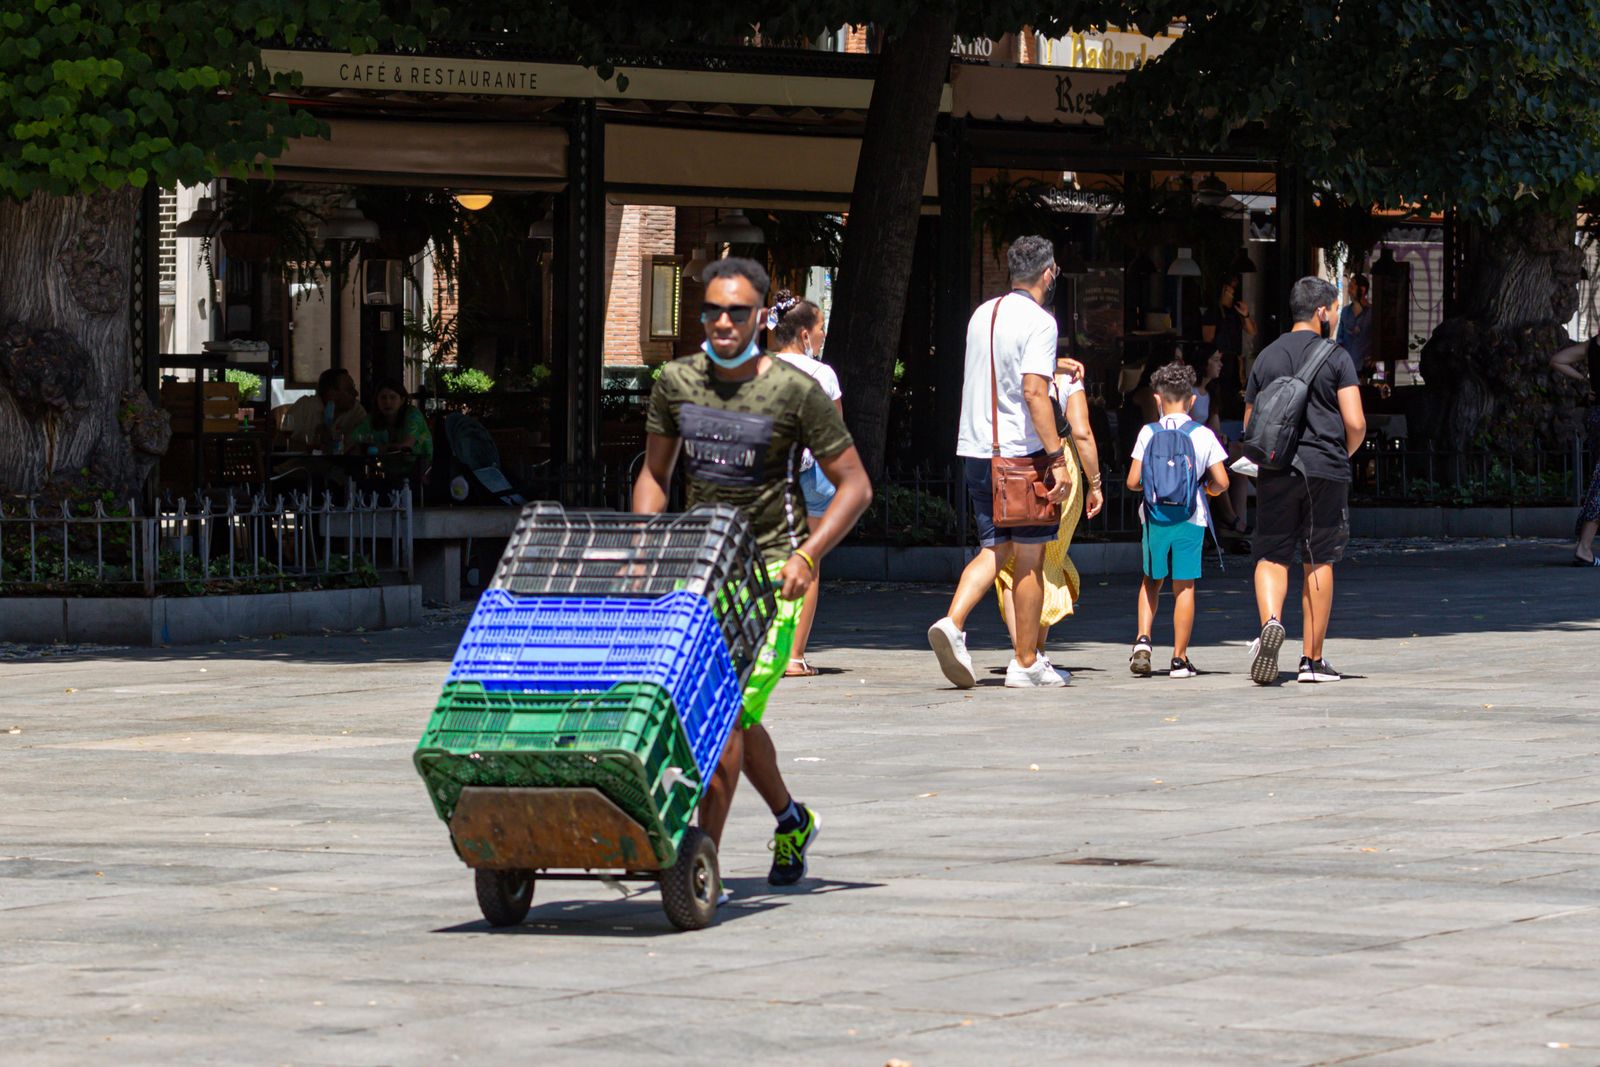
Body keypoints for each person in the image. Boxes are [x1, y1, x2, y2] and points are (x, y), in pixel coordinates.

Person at [633, 257, 871, 888]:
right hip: (702, 571)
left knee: (728, 713)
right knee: (718, 713)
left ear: (762, 317)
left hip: (772, 576)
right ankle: (791, 819)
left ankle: (695, 856)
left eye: (738, 312)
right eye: (712, 311)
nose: (723, 323)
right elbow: (656, 475)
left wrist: (807, 554)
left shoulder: (796, 391)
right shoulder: (677, 381)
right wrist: (645, 543)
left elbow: (853, 487)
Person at [927, 234, 1085, 690]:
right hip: (1021, 456)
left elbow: (1003, 372)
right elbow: (1033, 392)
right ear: (1049, 272)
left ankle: (953, 623)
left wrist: (1054, 367)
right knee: (1031, 561)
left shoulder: (983, 314)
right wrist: (1056, 455)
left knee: (995, 550)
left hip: (977, 450)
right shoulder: (1041, 322)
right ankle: (1026, 660)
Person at [1243, 277, 1366, 685]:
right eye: (1332, 308)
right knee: (1319, 556)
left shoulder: (1266, 357)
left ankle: (1271, 623)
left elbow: (1250, 424)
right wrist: (1340, 454)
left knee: (1271, 554)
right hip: (1324, 468)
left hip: (1276, 468)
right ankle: (1311, 661)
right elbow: (1355, 421)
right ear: (1321, 311)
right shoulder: (1337, 357)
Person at [994, 356, 1105, 667]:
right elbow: (1081, 433)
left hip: (1012, 462)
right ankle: (1033, 653)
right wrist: (1095, 483)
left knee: (1010, 563)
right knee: (1046, 559)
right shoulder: (1066, 377)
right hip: (1059, 468)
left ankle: (1022, 651)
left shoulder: (1004, 368)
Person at [1126, 361, 1230, 678]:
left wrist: (1154, 485)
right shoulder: (1203, 435)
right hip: (1190, 516)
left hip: (1155, 517)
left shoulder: (1148, 432)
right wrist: (1207, 491)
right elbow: (1223, 482)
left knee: (1151, 579)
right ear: (1192, 400)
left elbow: (1132, 482)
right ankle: (1179, 658)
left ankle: (1143, 641)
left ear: (1157, 399)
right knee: (1184, 586)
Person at [767, 289, 841, 676]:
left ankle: (766, 650)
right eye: (821, 328)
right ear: (805, 334)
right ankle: (794, 657)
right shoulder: (822, 373)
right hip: (813, 473)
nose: (824, 334)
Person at [1549, 333, 1600, 566]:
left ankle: (1585, 546)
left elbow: (1557, 360)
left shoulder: (1592, 346)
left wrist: (1584, 380)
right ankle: (1584, 546)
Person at [1199, 275, 1258, 424]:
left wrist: (1246, 314)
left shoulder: (1234, 312)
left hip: (1233, 361)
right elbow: (1208, 340)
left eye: (1233, 292)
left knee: (1234, 395)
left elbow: (1252, 331)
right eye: (1228, 291)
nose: (1231, 295)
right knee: (1218, 395)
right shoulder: (1212, 312)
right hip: (1219, 358)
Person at [349, 379, 433, 477]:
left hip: (420, 472)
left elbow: (406, 446)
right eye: (383, 398)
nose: (387, 402)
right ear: (377, 400)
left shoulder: (413, 415)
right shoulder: (372, 419)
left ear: (402, 400)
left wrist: (377, 448)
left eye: (392, 397)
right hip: (385, 472)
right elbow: (352, 440)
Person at [282, 367, 365, 452]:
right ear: (331, 393)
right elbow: (281, 442)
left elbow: (366, 441)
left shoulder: (355, 410)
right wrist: (312, 449)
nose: (356, 393)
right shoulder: (305, 406)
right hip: (299, 463)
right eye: (349, 390)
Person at [1338, 273, 1375, 379]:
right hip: (1347, 369)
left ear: (1362, 290)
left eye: (1352, 287)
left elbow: (1379, 339)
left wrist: (1374, 356)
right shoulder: (1345, 312)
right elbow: (1339, 338)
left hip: (1365, 370)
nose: (1349, 290)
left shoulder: (1372, 313)